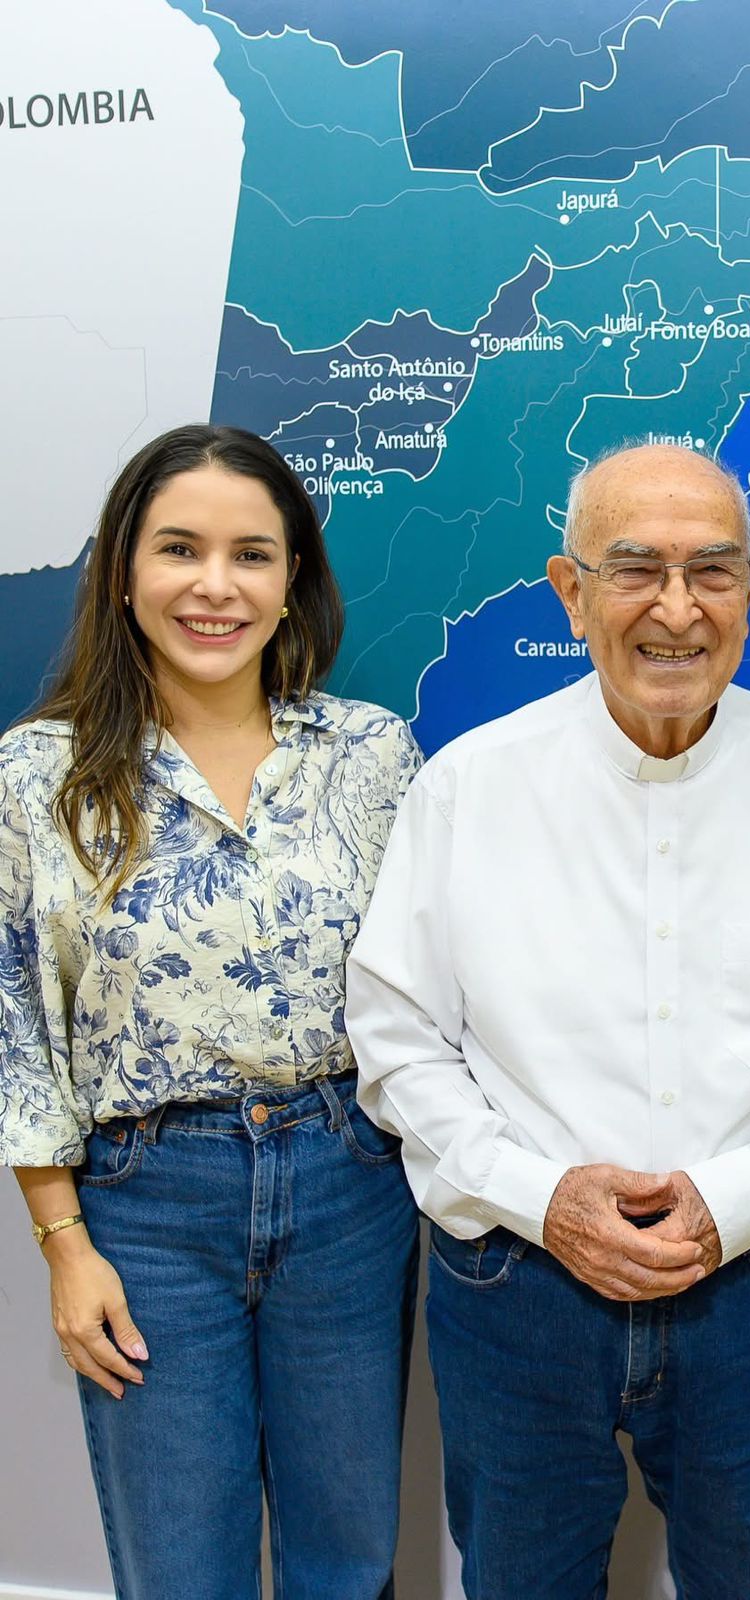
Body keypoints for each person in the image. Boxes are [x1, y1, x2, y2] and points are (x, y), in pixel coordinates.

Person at [346, 441, 750, 1600]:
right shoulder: (471, 787)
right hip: (517, 1290)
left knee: (748, 1578)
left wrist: (736, 1196)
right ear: (570, 591)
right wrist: (540, 1198)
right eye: (634, 569)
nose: (677, 608)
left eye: (712, 570)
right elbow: (399, 1036)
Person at [0, 425, 422, 1599]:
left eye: (252, 554)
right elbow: (12, 1024)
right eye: (179, 549)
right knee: (182, 1565)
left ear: (292, 584)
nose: (215, 585)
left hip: (348, 1178)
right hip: (144, 1205)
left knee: (350, 1555)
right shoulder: (38, 776)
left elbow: (433, 986)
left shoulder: (372, 755)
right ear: (121, 570)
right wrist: (61, 1243)